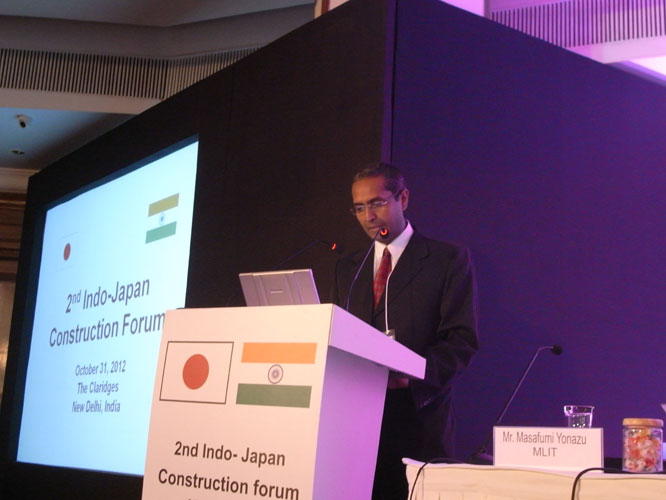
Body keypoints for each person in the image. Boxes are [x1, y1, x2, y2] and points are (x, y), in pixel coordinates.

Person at [332, 162, 479, 500]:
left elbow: (461, 340)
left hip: (418, 423)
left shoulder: (446, 260)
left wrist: (410, 378)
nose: (369, 216)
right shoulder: (347, 268)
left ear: (404, 198)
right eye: (359, 208)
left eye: (377, 203)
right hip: (356, 425)